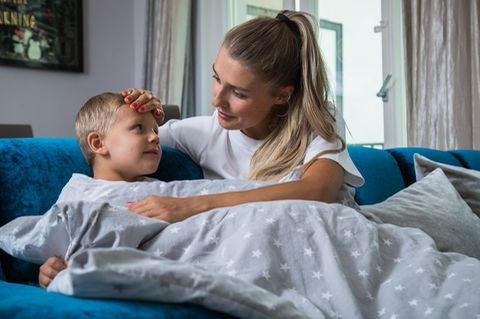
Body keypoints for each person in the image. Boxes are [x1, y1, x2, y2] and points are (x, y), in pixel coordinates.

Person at [123, 10, 364, 222]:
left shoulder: (319, 119)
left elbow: (318, 190)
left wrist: (194, 205)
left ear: (282, 95)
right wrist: (135, 112)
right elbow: (115, 142)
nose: (216, 101)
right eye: (216, 78)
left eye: (238, 93)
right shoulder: (202, 134)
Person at [39, 91, 162, 288]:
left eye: (156, 131)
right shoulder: (79, 193)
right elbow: (58, 248)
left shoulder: (160, 189)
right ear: (98, 143)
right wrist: (49, 270)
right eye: (139, 128)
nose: (155, 137)